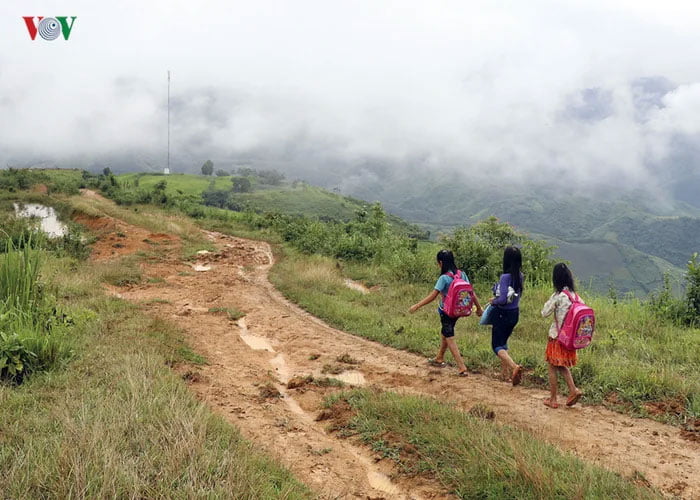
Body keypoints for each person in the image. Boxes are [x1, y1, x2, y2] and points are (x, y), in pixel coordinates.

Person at [409, 249, 483, 376]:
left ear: (441, 262)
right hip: (459, 310)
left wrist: (417, 305)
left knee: (449, 336)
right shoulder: (462, 274)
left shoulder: (444, 278)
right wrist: (479, 308)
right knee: (445, 332)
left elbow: (433, 296)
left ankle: (461, 367)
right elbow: (471, 292)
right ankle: (439, 358)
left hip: (447, 311)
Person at [541, 262, 583, 408]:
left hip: (557, 337)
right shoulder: (576, 297)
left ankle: (553, 399)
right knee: (560, 365)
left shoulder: (558, 296)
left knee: (552, 366)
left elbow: (544, 313)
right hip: (570, 339)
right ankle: (573, 389)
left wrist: (551, 299)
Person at [487, 246, 524, 386]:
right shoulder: (520, 276)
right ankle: (505, 374)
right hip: (514, 313)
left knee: (496, 345)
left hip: (502, 313)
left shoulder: (505, 277)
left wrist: (493, 301)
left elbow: (502, 299)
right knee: (504, 342)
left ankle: (514, 367)